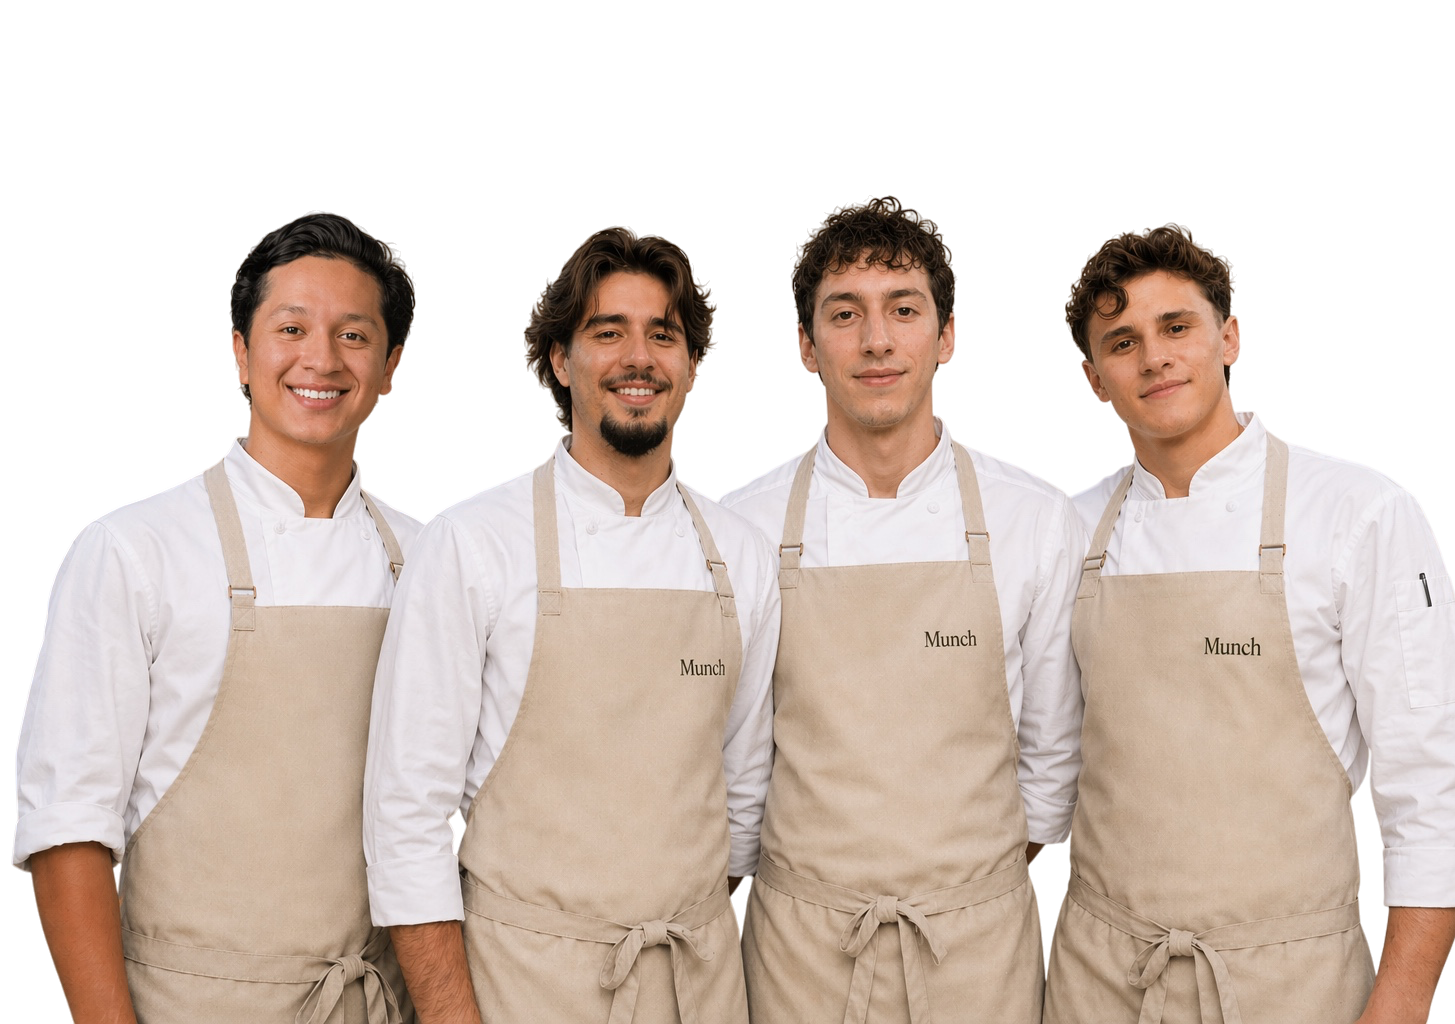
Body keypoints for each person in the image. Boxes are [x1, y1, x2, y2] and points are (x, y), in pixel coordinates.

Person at [1043, 223, 1455, 1024]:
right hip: (1098, 978)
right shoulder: (1067, 532)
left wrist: (1404, 997)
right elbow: (1039, 755)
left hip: (1296, 983)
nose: (1154, 357)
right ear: (1095, 380)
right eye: (1122, 342)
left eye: (1176, 327)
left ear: (1230, 337)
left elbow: (1435, 777)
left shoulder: (1360, 511)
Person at [363, 225, 778, 1023]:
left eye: (663, 334)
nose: (638, 358)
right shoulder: (471, 542)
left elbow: (745, 790)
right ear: (560, 359)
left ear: (692, 364)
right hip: (524, 985)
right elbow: (406, 815)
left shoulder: (742, 556)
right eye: (606, 331)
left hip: (699, 985)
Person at [15, 211, 421, 1022]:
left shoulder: (426, 558)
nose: (320, 359)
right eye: (291, 327)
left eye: (353, 335)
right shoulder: (132, 549)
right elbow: (69, 831)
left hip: (378, 1002)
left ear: (389, 367)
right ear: (240, 351)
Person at [720, 196, 1084, 1023]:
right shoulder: (741, 524)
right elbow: (735, 759)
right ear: (807, 347)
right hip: (799, 952)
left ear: (947, 336)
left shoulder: (1034, 516)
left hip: (977, 952)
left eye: (904, 310)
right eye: (845, 315)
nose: (876, 340)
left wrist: (957, 888)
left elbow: (1054, 757)